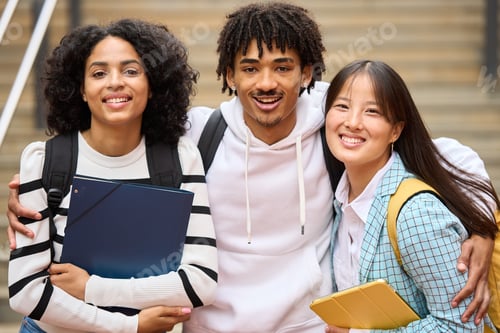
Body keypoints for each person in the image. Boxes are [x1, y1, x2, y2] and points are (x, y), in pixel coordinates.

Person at [5, 2, 494, 332]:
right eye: (250, 67)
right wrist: (33, 185)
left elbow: (450, 154)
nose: (266, 82)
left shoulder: (334, 118)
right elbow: (110, 152)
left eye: (283, 67)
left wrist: (482, 222)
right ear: (228, 74)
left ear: (306, 73)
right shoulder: (198, 133)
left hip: (309, 325)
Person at [7, 18, 217, 333]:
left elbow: (201, 282)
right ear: (81, 88)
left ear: (153, 83)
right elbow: (25, 290)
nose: (115, 82)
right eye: (99, 73)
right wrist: (128, 326)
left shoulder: (179, 158)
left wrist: (93, 289)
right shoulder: (45, 161)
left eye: (131, 71)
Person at [323, 59, 499, 332]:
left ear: (396, 130)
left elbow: (461, 326)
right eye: (342, 107)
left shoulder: (415, 214)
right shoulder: (342, 199)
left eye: (372, 111)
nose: (353, 122)